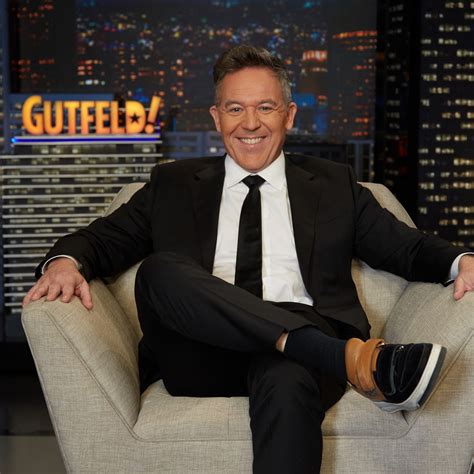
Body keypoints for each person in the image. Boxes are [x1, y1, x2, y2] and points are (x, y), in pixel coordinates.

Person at [23, 45, 474, 473]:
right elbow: (100, 240)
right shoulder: (172, 185)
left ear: (289, 115)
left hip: (300, 356)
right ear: (217, 117)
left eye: (265, 107)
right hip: (202, 354)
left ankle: (310, 347)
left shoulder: (334, 185)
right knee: (160, 271)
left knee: (289, 373)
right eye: (235, 108)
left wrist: (463, 261)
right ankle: (347, 358)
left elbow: (406, 247)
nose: (250, 123)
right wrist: (64, 262)